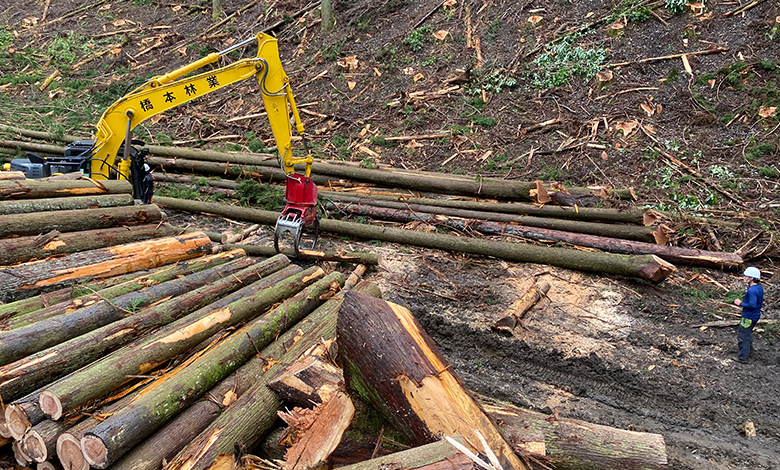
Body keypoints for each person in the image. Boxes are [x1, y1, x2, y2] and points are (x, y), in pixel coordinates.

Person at [733, 267, 764, 363]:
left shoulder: (752, 291)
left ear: (751, 278)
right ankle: (750, 353)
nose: (744, 278)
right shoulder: (759, 288)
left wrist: (740, 303)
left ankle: (743, 357)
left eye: (746, 276)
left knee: (743, 336)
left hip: (748, 317)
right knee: (748, 334)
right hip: (755, 316)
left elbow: (752, 304)